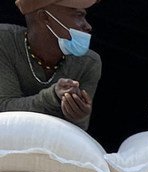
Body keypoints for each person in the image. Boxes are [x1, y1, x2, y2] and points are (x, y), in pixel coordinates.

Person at [1, 0, 99, 129]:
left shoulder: (89, 62)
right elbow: (4, 110)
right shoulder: (5, 41)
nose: (87, 26)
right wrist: (52, 97)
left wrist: (79, 116)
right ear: (45, 17)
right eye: (78, 15)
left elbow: (79, 131)